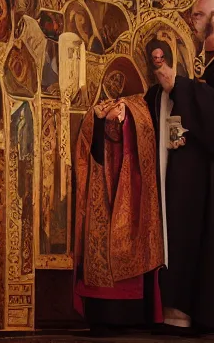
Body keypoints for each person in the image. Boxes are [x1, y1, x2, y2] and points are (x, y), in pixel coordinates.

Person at [148, 0, 214, 333]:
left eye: (198, 15)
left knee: (208, 241)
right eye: (192, 15)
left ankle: (204, 313)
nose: (192, 21)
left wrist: (181, 88)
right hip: (182, 172)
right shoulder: (192, 59)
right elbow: (164, 98)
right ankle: (176, 310)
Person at [71, 92, 166, 335]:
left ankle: (131, 316)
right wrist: (99, 116)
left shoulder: (140, 108)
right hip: (101, 183)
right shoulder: (97, 111)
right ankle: (102, 314)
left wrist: (127, 117)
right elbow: (87, 142)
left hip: (131, 182)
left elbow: (146, 142)